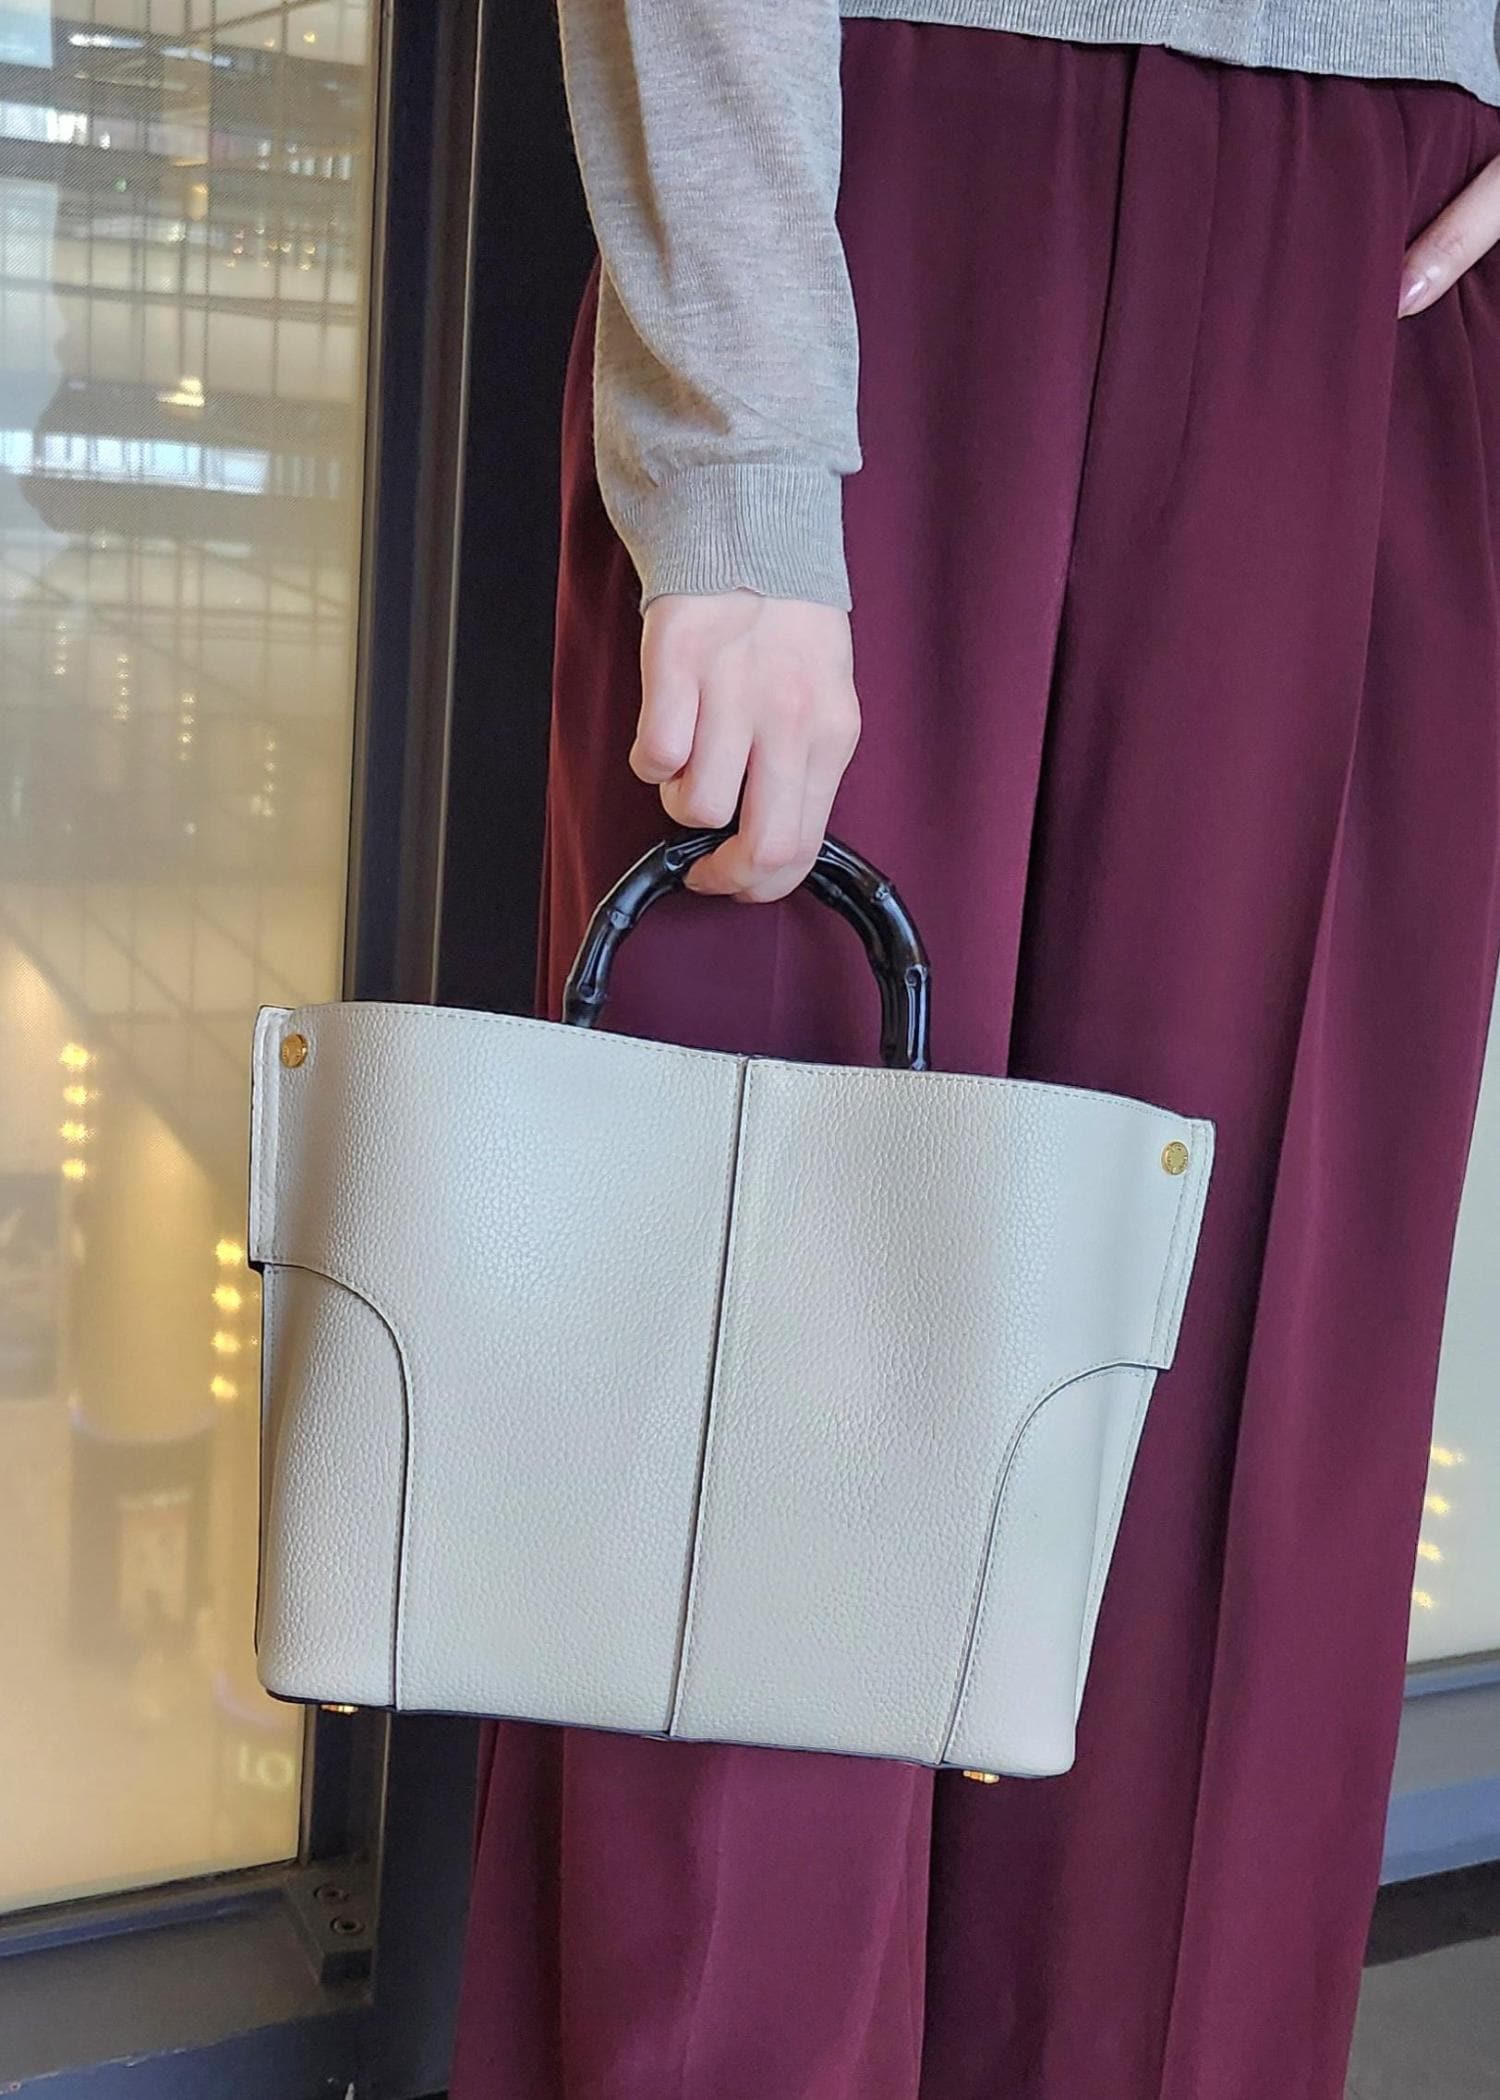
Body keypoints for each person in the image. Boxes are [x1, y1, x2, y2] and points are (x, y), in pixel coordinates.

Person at [449, 6, 1500, 2096]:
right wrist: (740, 460)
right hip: (887, 162)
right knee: (752, 1456)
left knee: (1223, 1490)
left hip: (1387, 250)